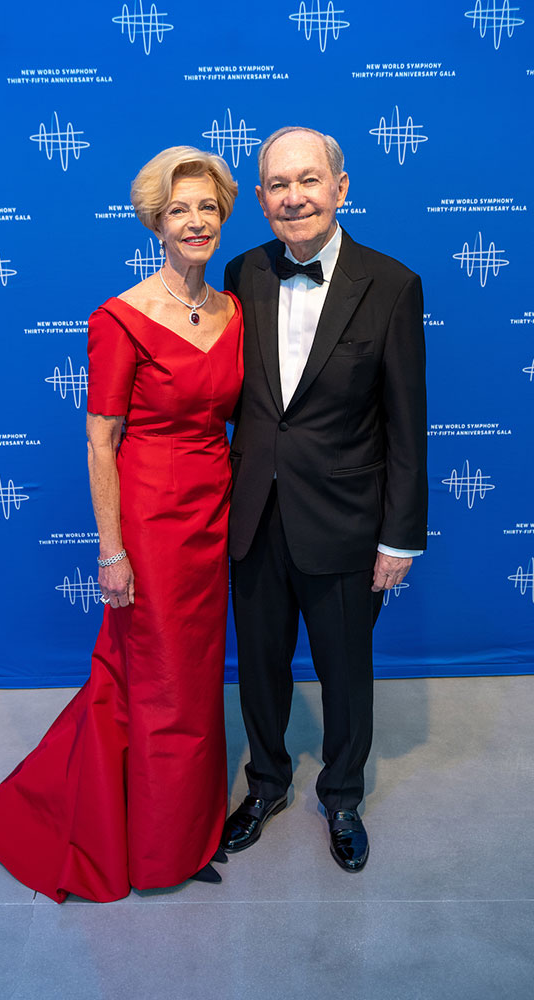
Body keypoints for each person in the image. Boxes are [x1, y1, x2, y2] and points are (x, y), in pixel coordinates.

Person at [0, 147, 242, 902]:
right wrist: (112, 551)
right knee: (157, 681)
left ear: (223, 216)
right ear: (155, 222)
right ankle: (156, 849)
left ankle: (192, 829)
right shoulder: (120, 318)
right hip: (151, 519)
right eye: (179, 210)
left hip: (214, 513)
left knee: (194, 679)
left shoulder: (233, 312)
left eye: (207, 208)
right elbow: (101, 441)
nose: (195, 222)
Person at [222, 126, 427, 872]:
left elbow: (408, 422)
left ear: (342, 188)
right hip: (254, 519)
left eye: (309, 180)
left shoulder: (393, 284)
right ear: (262, 198)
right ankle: (266, 785)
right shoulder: (240, 272)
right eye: (278, 185)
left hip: (345, 520)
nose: (293, 196)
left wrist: (399, 537)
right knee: (261, 669)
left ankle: (342, 796)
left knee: (345, 672)